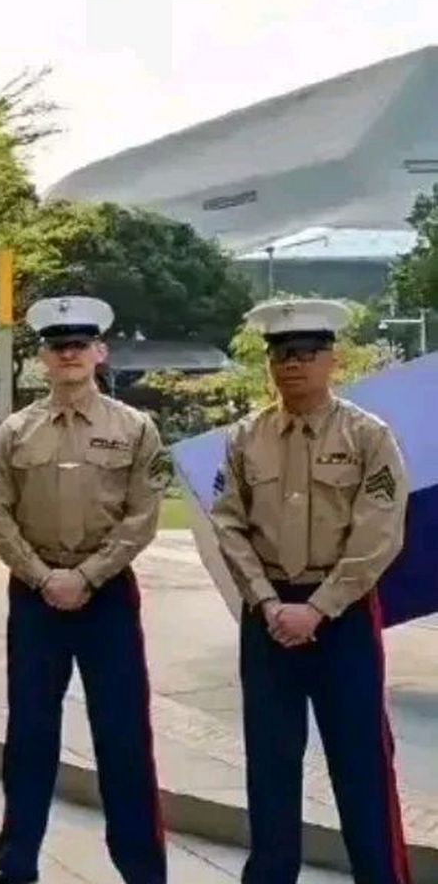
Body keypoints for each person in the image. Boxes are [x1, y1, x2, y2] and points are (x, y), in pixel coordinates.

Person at [209, 298, 411, 884]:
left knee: (362, 764)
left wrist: (319, 607)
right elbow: (228, 523)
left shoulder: (368, 436)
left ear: (332, 361)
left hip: (341, 618)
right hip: (268, 616)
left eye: (305, 353)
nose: (292, 365)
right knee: (270, 765)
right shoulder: (246, 438)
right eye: (280, 354)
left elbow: (381, 531)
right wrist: (268, 602)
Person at [0, 296, 170, 884]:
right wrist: (43, 577)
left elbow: (143, 515)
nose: (69, 355)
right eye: (58, 347)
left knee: (123, 736)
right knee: (30, 734)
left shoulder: (135, 428)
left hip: (106, 596)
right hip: (34, 598)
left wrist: (85, 577)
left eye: (79, 345)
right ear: (43, 358)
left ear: (99, 352)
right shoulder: (15, 431)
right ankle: (15, 863)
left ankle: (142, 869)